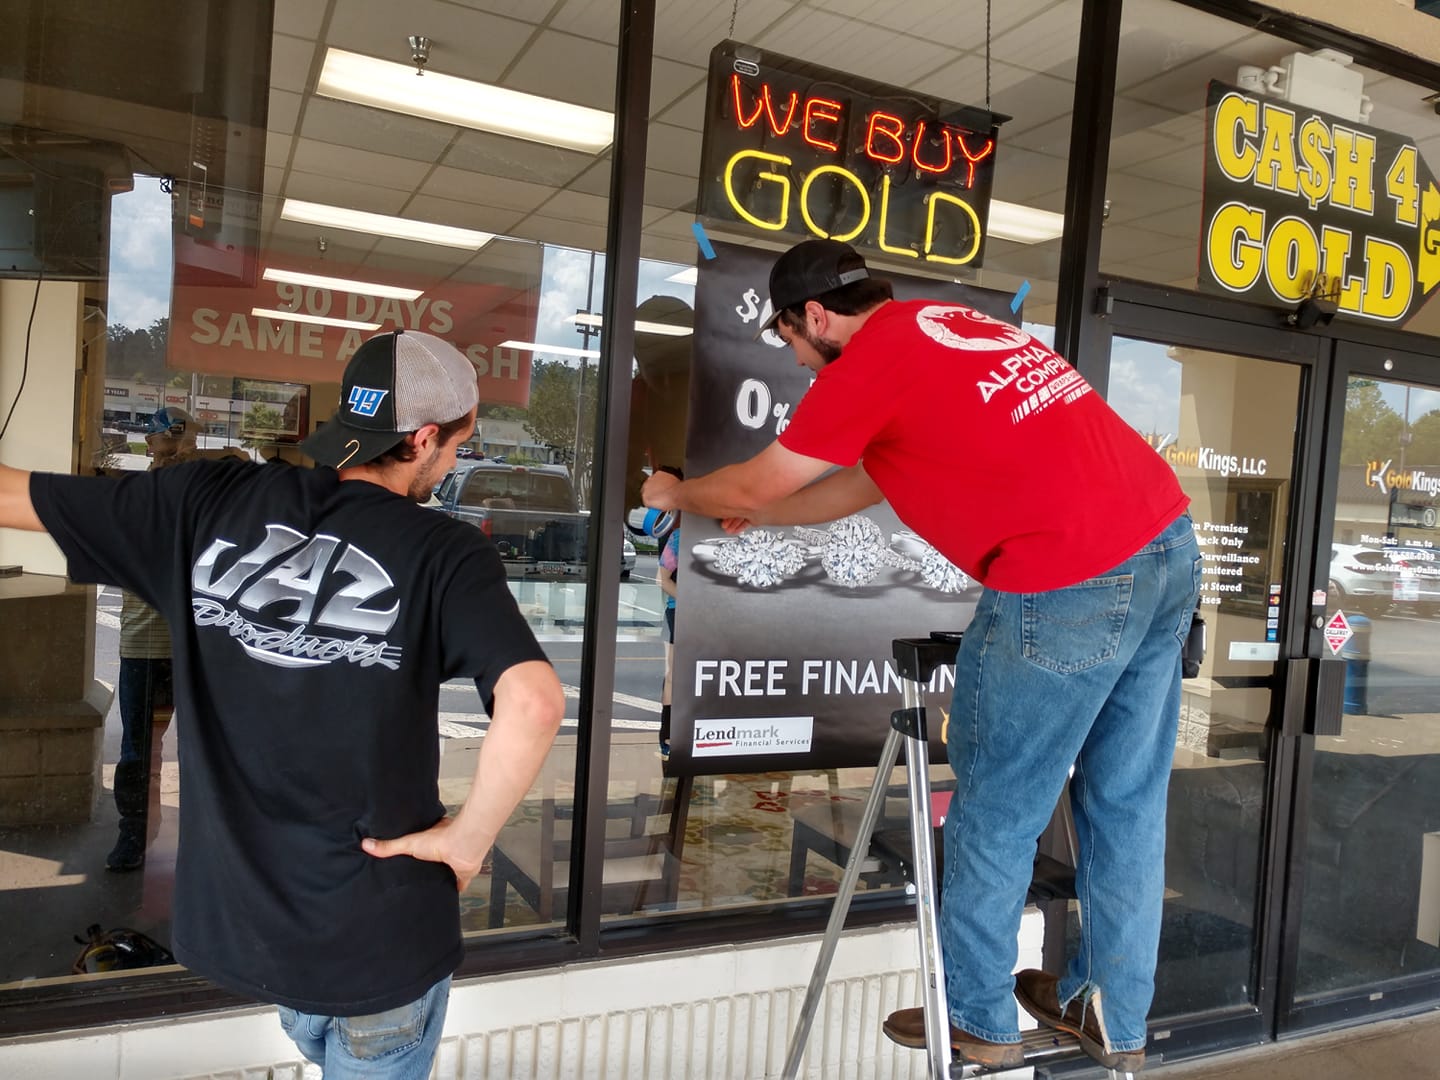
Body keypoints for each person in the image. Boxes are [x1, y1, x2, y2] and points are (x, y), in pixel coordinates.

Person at [641, 238, 1200, 1074]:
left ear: (817, 316)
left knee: (998, 804)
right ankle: (1111, 1011)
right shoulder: (947, 328)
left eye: (789, 339)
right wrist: (765, 517)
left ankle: (979, 1016)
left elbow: (756, 480)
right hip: (1165, 547)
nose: (796, 360)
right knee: (1124, 801)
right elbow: (860, 485)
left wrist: (676, 491)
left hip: (1068, 573)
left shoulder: (874, 357)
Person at [0, 330, 565, 1078]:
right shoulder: (444, 552)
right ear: (424, 438)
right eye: (459, 443)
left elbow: (10, 494)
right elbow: (533, 702)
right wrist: (466, 843)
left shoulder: (200, 500)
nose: (455, 460)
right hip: (378, 936)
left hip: (252, 936)